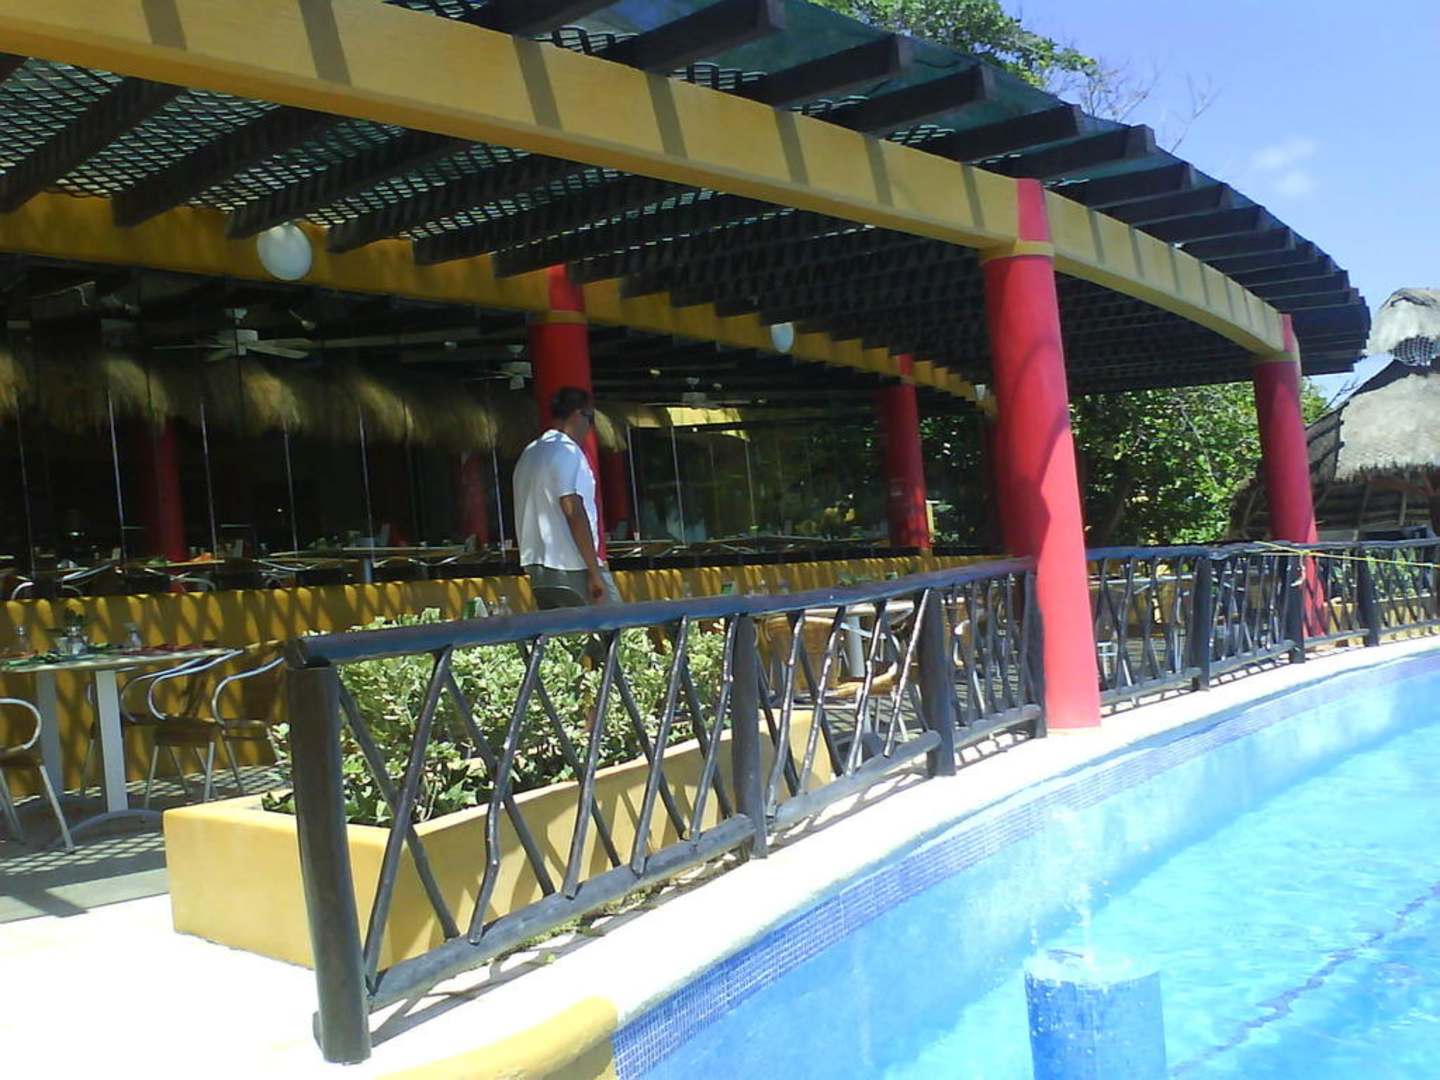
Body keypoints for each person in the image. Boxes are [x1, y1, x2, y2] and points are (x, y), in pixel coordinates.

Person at [513, 387, 621, 608]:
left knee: (560, 628)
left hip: (537, 567)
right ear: (577, 414)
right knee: (616, 623)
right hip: (572, 564)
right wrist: (594, 571)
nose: (590, 427)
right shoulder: (567, 452)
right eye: (590, 418)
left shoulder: (530, 452)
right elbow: (572, 509)